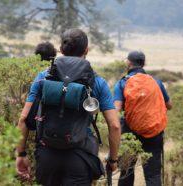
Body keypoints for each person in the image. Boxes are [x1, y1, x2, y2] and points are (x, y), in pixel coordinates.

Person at [16, 28, 121, 186]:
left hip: (46, 156)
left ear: (61, 49)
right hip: (80, 157)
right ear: (86, 50)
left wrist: (21, 154)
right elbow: (114, 125)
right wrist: (113, 159)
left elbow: (23, 119)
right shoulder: (98, 82)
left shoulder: (43, 78)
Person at [113, 51, 172, 186]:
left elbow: (116, 109)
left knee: (126, 173)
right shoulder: (156, 82)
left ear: (128, 63)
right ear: (144, 63)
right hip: (154, 132)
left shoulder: (122, 83)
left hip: (129, 133)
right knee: (153, 175)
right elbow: (169, 105)